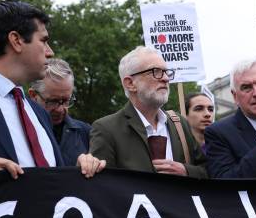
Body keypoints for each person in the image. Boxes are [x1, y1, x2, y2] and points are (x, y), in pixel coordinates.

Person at [0, 0, 102, 181]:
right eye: (44, 41)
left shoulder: (39, 113)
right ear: (16, 40)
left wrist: (77, 174)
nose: (50, 52)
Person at [89, 46, 207, 178]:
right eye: (155, 72)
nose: (166, 79)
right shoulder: (106, 129)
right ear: (130, 83)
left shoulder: (179, 123)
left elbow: (207, 171)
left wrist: (186, 171)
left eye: (166, 72)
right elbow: (102, 183)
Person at [28, 58, 91, 166]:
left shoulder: (85, 133)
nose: (60, 109)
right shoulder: (20, 130)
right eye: (53, 101)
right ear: (33, 95)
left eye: (66, 100)